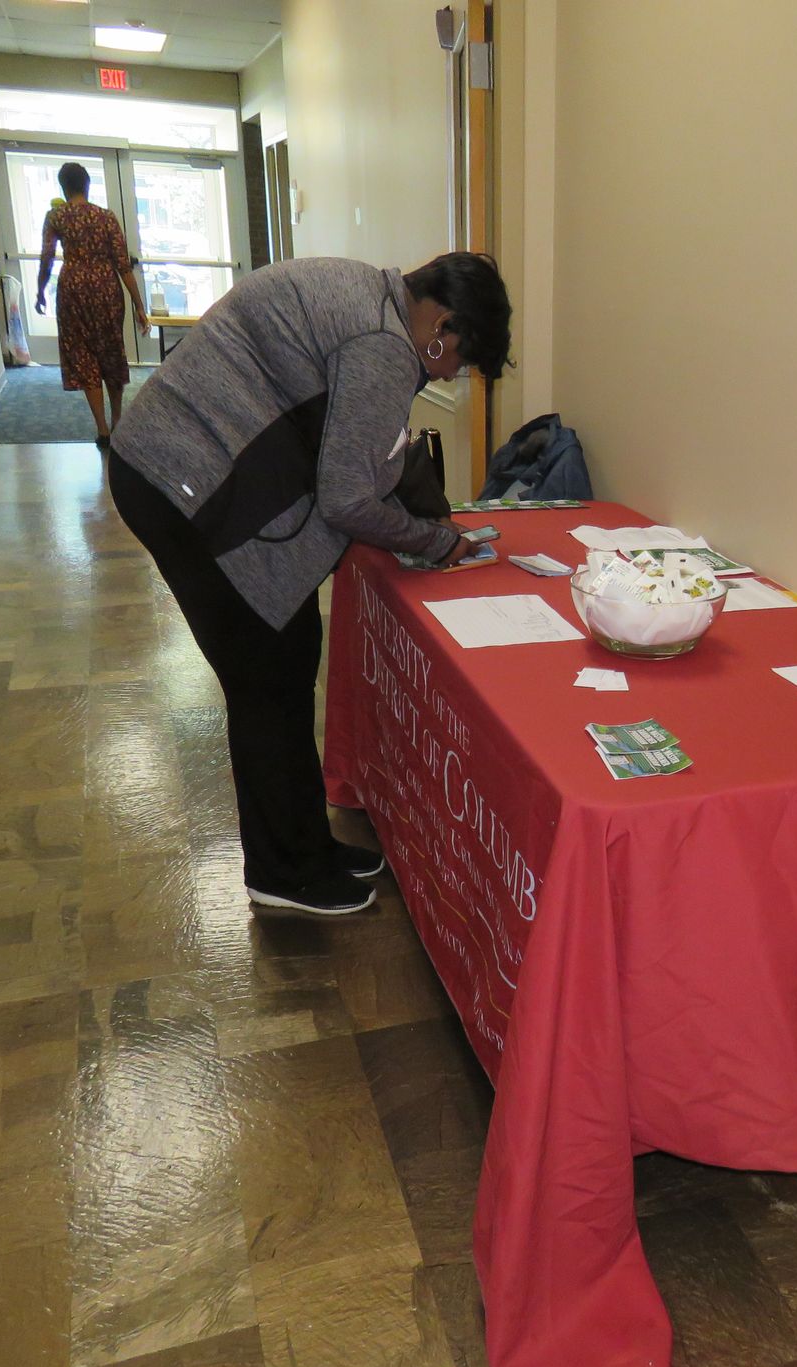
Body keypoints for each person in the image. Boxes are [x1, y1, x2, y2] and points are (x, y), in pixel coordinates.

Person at [107, 252, 512, 916]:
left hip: (175, 461)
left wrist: (415, 511)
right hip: (179, 480)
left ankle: (307, 845)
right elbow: (347, 500)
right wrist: (440, 542)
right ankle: (280, 871)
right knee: (264, 674)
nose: (449, 373)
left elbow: (360, 444)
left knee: (291, 650)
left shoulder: (369, 294)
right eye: (457, 359)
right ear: (441, 323)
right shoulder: (384, 344)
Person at [35, 163, 149, 447]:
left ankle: (102, 430)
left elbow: (47, 256)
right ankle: (118, 420)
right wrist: (139, 306)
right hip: (105, 288)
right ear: (87, 185)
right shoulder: (106, 218)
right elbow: (123, 265)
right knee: (111, 350)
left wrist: (40, 291)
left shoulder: (56, 216)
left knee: (84, 357)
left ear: (64, 187)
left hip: (72, 289)